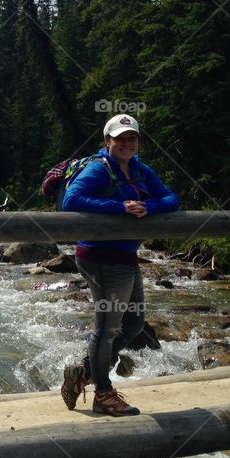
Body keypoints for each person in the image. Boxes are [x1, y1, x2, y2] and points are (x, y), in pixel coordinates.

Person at [59, 114, 179, 416]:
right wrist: (120, 207)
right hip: (100, 258)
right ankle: (103, 393)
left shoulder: (139, 169)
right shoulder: (98, 169)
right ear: (107, 141)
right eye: (120, 138)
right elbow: (71, 200)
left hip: (125, 257)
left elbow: (171, 199)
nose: (126, 143)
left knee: (135, 324)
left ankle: (84, 372)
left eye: (132, 138)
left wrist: (149, 207)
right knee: (107, 328)